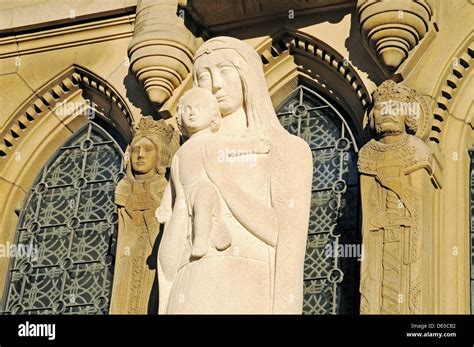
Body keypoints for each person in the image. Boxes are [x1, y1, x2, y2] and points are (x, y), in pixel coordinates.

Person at [157, 37, 313, 314]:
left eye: (225, 70)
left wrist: (220, 176)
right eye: (204, 76)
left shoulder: (287, 150)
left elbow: (286, 237)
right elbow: (170, 256)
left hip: (247, 281)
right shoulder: (186, 154)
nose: (215, 84)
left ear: (247, 76)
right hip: (188, 282)